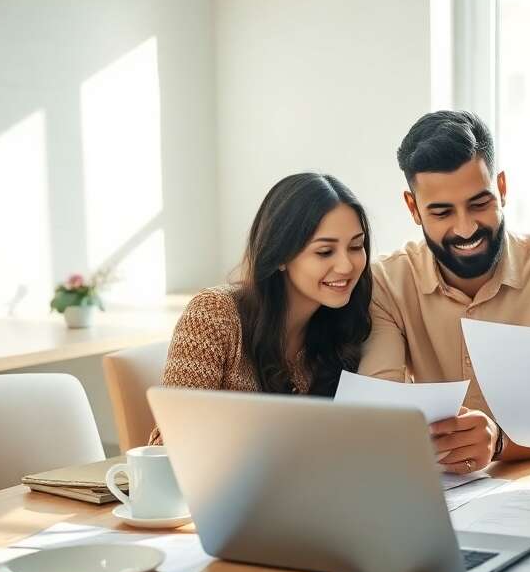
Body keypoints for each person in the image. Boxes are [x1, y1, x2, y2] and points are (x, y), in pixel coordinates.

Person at [359, 110, 530, 474]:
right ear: (413, 208)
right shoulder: (386, 283)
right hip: (442, 492)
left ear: (501, 188)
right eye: (441, 212)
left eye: (479, 203)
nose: (466, 227)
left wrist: (498, 441)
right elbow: (383, 418)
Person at [149, 173, 371, 444]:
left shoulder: (350, 322)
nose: (347, 266)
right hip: (220, 485)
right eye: (325, 252)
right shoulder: (215, 314)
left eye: (356, 246)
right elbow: (169, 445)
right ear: (280, 256)